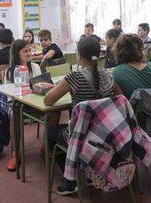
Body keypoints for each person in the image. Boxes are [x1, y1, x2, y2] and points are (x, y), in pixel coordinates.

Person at [44, 36, 115, 195]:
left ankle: (69, 179)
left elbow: (48, 101)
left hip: (81, 136)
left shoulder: (73, 77)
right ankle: (89, 170)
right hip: (106, 133)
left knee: (50, 131)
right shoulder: (109, 75)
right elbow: (118, 100)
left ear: (79, 55)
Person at [4, 39, 41, 171]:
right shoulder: (10, 71)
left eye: (30, 50)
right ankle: (16, 153)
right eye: (25, 51)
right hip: (15, 103)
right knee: (14, 114)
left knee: (54, 111)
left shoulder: (35, 67)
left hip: (34, 102)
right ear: (16, 54)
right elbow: (8, 94)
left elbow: (40, 86)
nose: (29, 53)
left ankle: (48, 144)